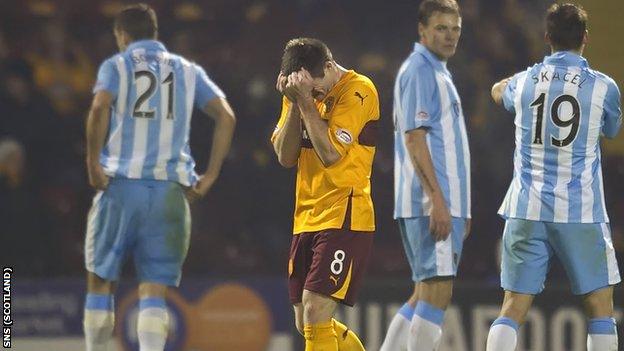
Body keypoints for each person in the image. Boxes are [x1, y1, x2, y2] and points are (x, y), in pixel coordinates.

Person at [83, 4, 236, 351]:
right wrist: (209, 176)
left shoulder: (117, 65)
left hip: (122, 186)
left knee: (100, 278)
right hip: (170, 193)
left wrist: (93, 163)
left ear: (122, 35)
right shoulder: (186, 70)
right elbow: (226, 116)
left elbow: (98, 107)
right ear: (154, 34)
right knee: (154, 288)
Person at [487, 3, 621, 351]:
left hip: (526, 208)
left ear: (546, 36)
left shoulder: (525, 81)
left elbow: (498, 92)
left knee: (512, 307)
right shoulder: (604, 88)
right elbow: (611, 128)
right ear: (585, 39)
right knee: (600, 310)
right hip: (581, 211)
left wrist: (504, 85)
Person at [271, 37, 380, 351]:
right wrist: (294, 102)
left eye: (317, 90)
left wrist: (306, 101)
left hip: (345, 212)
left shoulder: (358, 90)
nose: (315, 96)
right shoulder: (300, 93)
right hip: (306, 216)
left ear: (330, 67)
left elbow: (331, 154)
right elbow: (285, 156)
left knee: (315, 309)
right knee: (305, 320)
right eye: (309, 92)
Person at [380, 1, 471, 350]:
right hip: (430, 201)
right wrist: (438, 200)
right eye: (440, 28)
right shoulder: (420, 69)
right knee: (436, 293)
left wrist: (460, 207)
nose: (449, 36)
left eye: (455, 28)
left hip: (440, 202)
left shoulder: (436, 70)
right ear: (422, 30)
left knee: (422, 293)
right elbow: (414, 137)